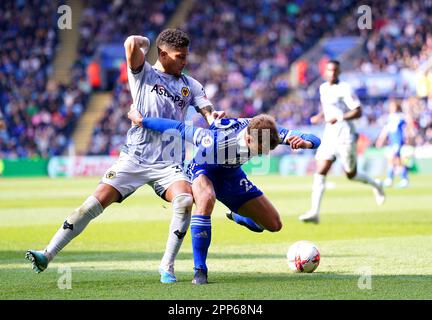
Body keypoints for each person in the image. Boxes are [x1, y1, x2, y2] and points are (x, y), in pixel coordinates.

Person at [25, 29, 225, 284]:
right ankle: (47, 253)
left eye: (186, 56)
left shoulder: (190, 84)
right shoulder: (143, 73)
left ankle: (167, 266)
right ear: (162, 54)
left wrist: (212, 117)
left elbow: (206, 108)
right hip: (135, 158)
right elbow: (131, 43)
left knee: (185, 200)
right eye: (179, 56)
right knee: (92, 204)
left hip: (168, 163)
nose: (184, 61)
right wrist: (147, 42)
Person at [127, 107, 321, 284]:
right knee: (206, 200)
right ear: (249, 140)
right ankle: (200, 270)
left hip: (231, 174)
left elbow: (312, 138)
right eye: (260, 150)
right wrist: (142, 121)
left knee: (274, 225)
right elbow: (178, 128)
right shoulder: (217, 139)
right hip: (204, 169)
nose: (262, 155)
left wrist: (305, 143)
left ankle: (239, 216)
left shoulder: (265, 131)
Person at [299, 60, 385, 224]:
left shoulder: (345, 88)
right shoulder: (323, 88)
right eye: (329, 70)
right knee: (321, 170)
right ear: (325, 72)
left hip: (346, 134)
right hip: (330, 134)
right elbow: (327, 108)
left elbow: (358, 111)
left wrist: (339, 117)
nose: (332, 73)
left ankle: (376, 184)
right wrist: (319, 117)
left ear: (339, 72)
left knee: (351, 175)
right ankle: (314, 212)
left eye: (335, 71)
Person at [375, 99, 409, 188]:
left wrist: (406, 138)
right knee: (395, 160)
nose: (390, 108)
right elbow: (386, 130)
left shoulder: (400, 117)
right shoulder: (390, 117)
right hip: (392, 141)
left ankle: (397, 179)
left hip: (398, 141)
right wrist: (380, 140)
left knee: (395, 159)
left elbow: (406, 129)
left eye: (392, 106)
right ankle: (398, 179)